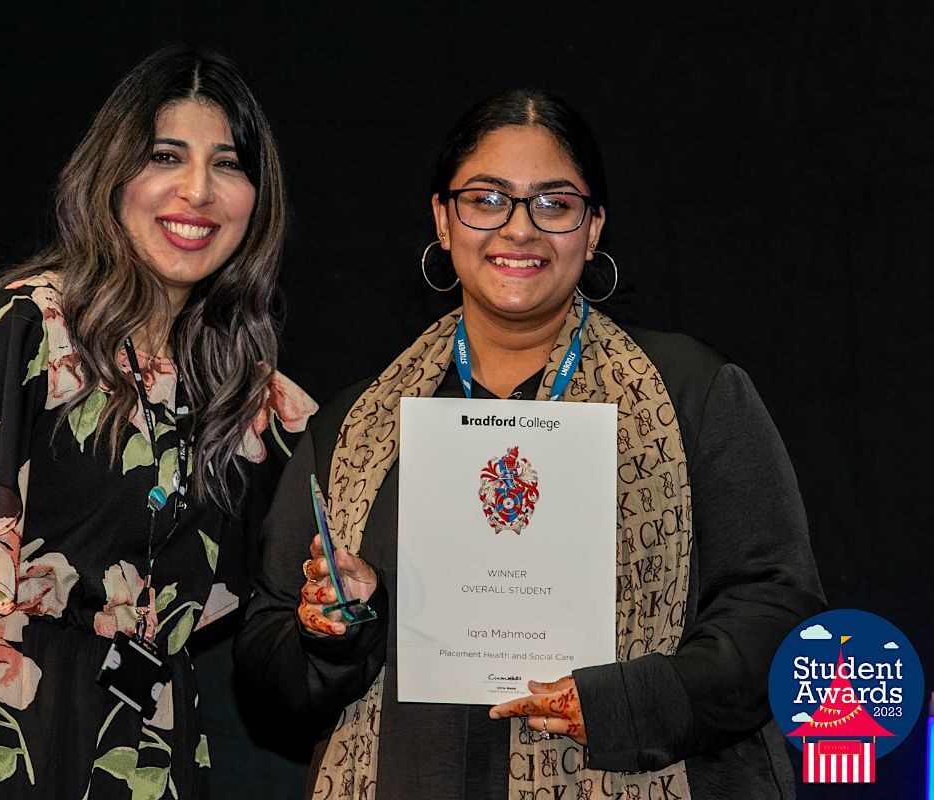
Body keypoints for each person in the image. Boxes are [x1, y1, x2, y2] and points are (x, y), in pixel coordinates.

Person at [235, 89, 826, 799]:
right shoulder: (353, 426)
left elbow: (779, 613)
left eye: (554, 203)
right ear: (442, 220)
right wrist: (334, 631)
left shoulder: (694, 396)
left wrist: (628, 703)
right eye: (487, 199)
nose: (520, 229)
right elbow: (266, 670)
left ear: (594, 226)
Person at [0, 45, 315, 800]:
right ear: (113, 175)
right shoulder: (23, 332)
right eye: (167, 155)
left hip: (152, 761)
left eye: (228, 164)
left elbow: (325, 583)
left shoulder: (249, 398)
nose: (197, 190)